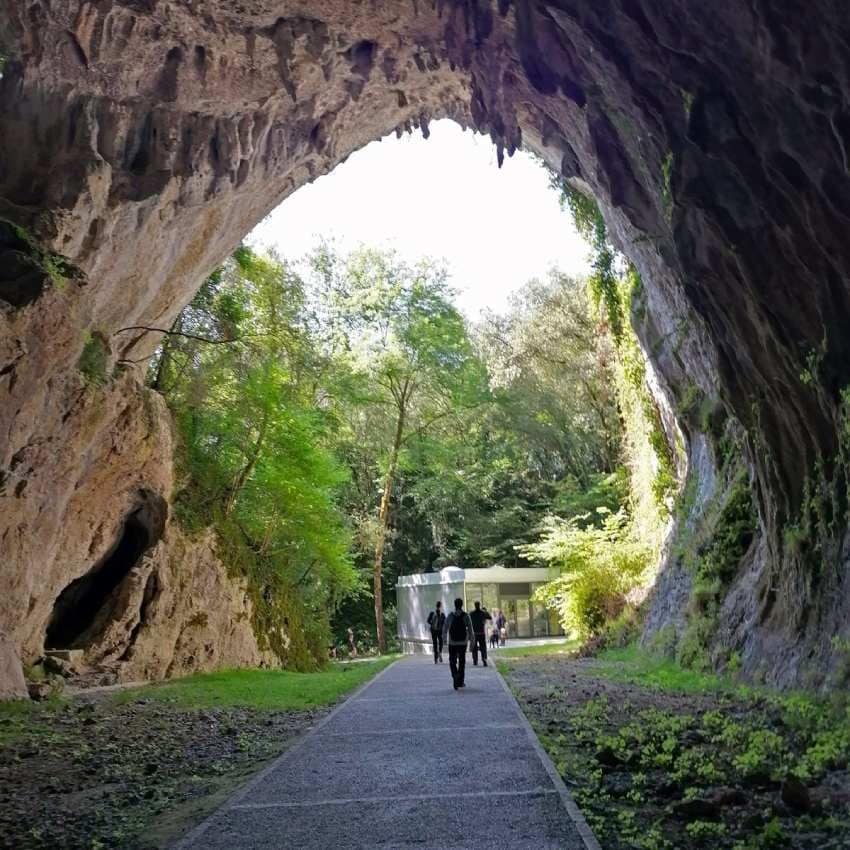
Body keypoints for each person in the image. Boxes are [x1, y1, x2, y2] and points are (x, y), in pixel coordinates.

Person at [442, 597, 474, 690]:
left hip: (452, 642)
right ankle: (460, 681)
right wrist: (472, 642)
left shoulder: (450, 616)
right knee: (462, 661)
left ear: (455, 605)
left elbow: (445, 628)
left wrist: (444, 639)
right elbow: (471, 630)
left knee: (452, 661)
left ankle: (455, 676)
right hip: (463, 642)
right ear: (462, 605)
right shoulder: (466, 616)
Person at [469, 601, 492, 666]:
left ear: (475, 605)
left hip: (474, 633)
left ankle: (475, 660)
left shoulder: (471, 613)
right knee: (483, 647)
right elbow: (490, 617)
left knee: (474, 647)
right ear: (479, 605)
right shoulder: (483, 613)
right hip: (481, 633)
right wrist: (485, 613)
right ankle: (484, 659)